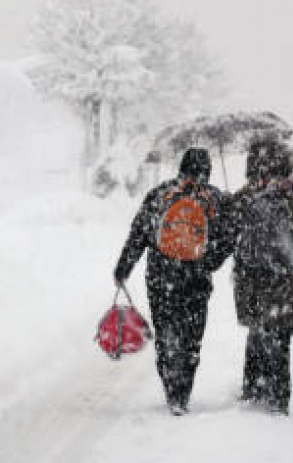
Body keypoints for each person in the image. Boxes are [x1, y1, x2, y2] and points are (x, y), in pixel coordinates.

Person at [213, 139, 293, 415]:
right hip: (288, 282)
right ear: (285, 164)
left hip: (250, 280)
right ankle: (278, 399)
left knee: (256, 330)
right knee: (280, 337)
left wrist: (228, 205)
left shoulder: (245, 196)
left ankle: (253, 389)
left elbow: (224, 237)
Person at [113, 147, 225, 416]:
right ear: (207, 170)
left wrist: (123, 267)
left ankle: (170, 387)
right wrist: (209, 261)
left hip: (161, 277)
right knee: (191, 339)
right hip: (196, 279)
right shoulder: (213, 198)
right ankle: (182, 393)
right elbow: (224, 241)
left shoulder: (161, 194)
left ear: (181, 167)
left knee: (166, 333)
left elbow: (138, 233)